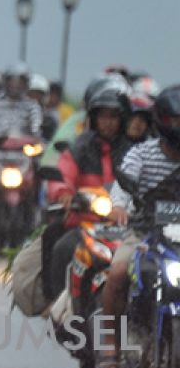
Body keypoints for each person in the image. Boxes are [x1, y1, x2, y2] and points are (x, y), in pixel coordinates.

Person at [99, 85, 180, 368]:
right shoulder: (142, 153)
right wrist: (118, 206)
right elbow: (122, 185)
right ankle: (110, 343)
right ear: (163, 120)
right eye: (177, 120)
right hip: (145, 235)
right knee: (118, 273)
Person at [41, 78, 130, 299]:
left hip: (127, 226)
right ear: (93, 118)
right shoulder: (80, 147)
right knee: (59, 246)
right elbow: (63, 173)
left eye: (114, 117)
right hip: (85, 222)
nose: (108, 122)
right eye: (103, 116)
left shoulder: (134, 150)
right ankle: (57, 305)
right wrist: (64, 193)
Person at [0, 62, 43, 139]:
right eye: (11, 80)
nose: (15, 85)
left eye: (20, 82)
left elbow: (36, 129)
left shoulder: (32, 106)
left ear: (26, 84)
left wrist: (36, 137)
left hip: (23, 147)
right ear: (5, 81)